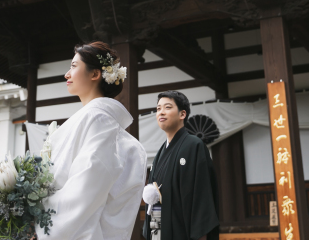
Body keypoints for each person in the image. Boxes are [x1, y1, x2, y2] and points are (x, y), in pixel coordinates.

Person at [36, 41, 147, 240]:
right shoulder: (92, 118)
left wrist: (38, 221)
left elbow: (84, 191)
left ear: (95, 74)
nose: (66, 74)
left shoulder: (98, 119)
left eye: (73, 66)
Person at [143, 91, 219, 240]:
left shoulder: (194, 145)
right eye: (158, 109)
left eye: (167, 107)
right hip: (159, 230)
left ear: (182, 114)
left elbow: (201, 195)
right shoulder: (160, 153)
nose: (161, 112)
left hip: (183, 233)